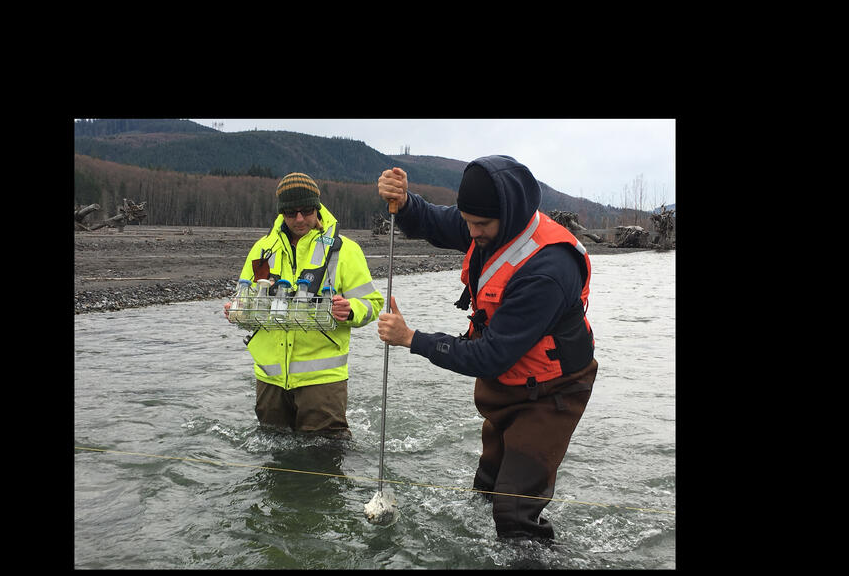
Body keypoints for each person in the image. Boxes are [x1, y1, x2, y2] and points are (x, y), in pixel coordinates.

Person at [375, 157, 598, 541]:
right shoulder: (486, 223)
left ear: (507, 217)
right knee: (487, 486)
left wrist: (412, 338)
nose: (471, 231)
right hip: (509, 382)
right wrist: (405, 201)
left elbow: (491, 355)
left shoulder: (549, 269)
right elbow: (431, 221)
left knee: (513, 512)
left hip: (553, 392)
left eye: (480, 225)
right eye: (468, 222)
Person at [224, 172, 383, 439]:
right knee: (273, 453)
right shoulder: (262, 249)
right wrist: (237, 309)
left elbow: (373, 304)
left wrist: (351, 309)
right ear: (281, 213)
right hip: (269, 379)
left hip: (322, 382)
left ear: (317, 208)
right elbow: (248, 297)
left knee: (324, 458)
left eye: (306, 211)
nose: (299, 219)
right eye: (290, 212)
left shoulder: (345, 250)